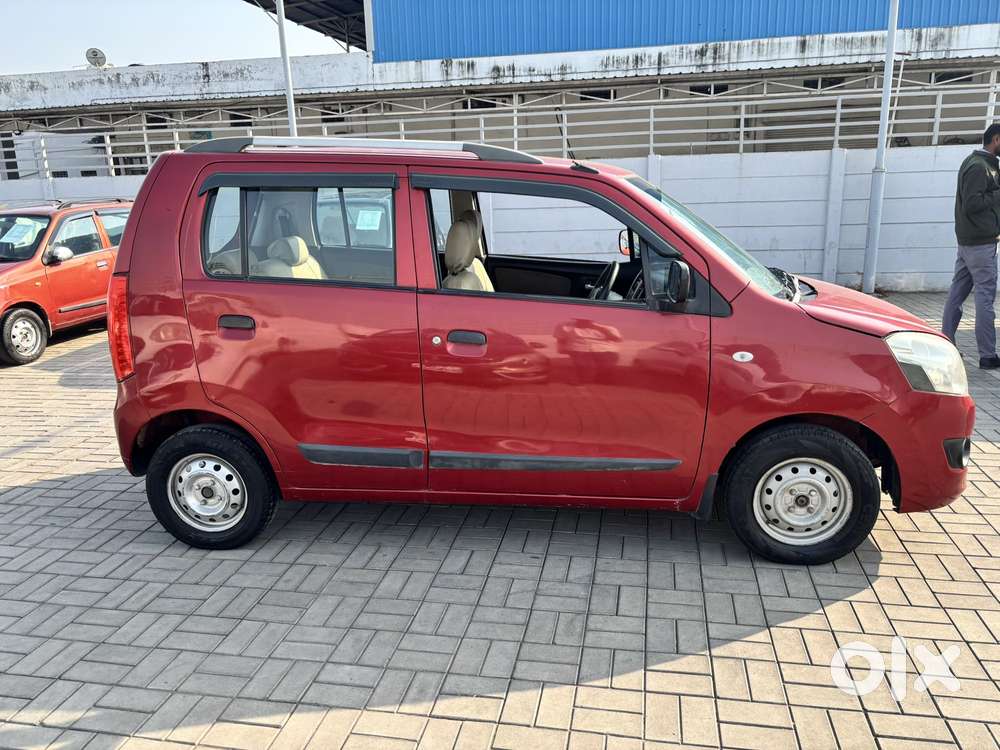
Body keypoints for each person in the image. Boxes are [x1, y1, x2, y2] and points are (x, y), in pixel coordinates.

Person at [942, 123, 1000, 369]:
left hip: (969, 241)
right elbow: (973, 204)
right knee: (985, 297)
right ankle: (988, 355)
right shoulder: (979, 167)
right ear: (996, 139)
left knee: (956, 294)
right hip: (980, 243)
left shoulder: (976, 163)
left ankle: (944, 345)